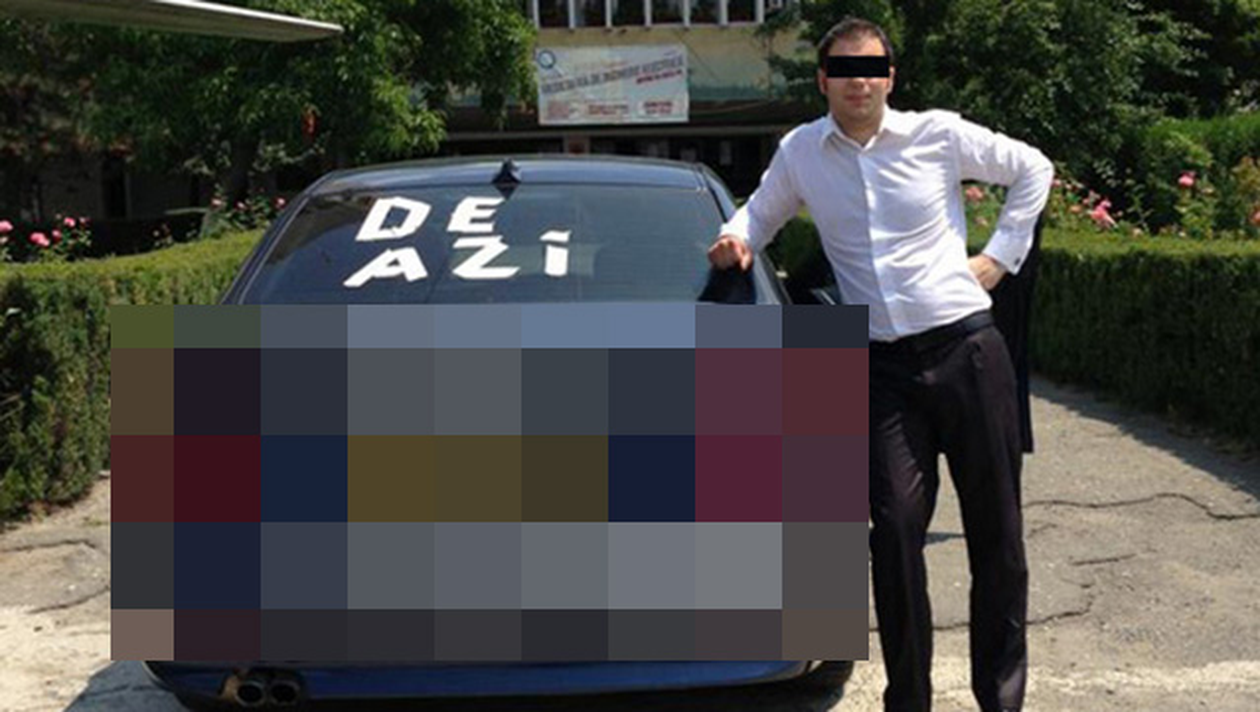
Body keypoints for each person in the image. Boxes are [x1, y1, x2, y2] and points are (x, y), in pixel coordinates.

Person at [707, 17, 1053, 712]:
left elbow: (1032, 168)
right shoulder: (802, 152)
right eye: (842, 70)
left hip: (966, 351)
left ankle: (1000, 699)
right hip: (880, 371)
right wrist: (732, 239)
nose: (857, 82)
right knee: (893, 531)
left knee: (997, 534)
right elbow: (758, 215)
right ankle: (910, 700)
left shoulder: (937, 134)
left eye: (870, 68)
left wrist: (999, 257)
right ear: (822, 80)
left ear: (890, 78)